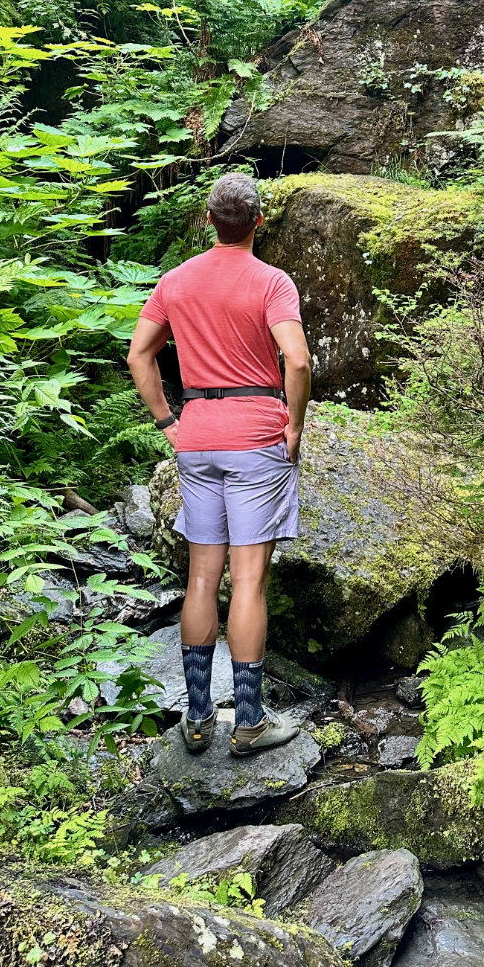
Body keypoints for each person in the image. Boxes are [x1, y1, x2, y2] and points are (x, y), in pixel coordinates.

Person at [126, 172, 312, 756]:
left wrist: (167, 421)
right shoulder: (272, 282)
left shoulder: (175, 281)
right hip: (256, 438)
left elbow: (139, 355)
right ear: (259, 222)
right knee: (249, 579)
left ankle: (199, 717)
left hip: (198, 439)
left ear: (210, 221)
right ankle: (251, 723)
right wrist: (295, 424)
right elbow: (298, 362)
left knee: (202, 577)